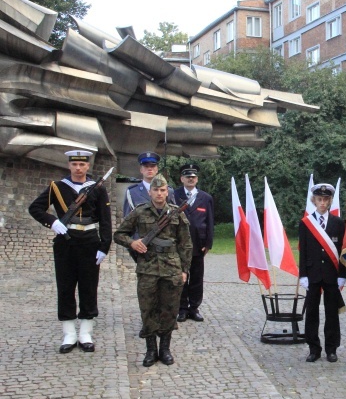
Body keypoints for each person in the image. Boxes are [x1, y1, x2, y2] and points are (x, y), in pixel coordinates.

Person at [29, 150, 112, 353]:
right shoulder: (56, 187)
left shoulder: (97, 189)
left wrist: (104, 246)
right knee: (65, 287)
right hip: (66, 243)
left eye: (82, 165)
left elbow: (105, 220)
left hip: (90, 242)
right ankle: (69, 333)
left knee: (88, 287)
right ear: (69, 165)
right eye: (74, 164)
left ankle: (85, 333)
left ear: (87, 167)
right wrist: (53, 222)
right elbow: (35, 208)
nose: (78, 168)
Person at [114, 174, 192, 367]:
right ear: (150, 192)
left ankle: (165, 349)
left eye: (163, 190)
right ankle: (150, 350)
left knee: (170, 308)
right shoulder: (140, 213)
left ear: (167, 192)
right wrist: (133, 243)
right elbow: (119, 234)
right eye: (156, 190)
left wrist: (185, 270)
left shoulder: (176, 213)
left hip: (172, 268)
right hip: (148, 268)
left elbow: (186, 244)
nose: (159, 193)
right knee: (147, 308)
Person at [299, 183, 346, 363]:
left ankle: (331, 349)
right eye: (319, 199)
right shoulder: (306, 223)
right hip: (312, 274)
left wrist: (342, 274)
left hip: (332, 274)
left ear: (330, 201)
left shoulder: (338, 223)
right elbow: (302, 250)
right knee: (311, 312)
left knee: (332, 313)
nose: (322, 202)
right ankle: (313, 348)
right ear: (314, 200)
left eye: (326, 199)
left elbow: (341, 250)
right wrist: (303, 274)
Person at [174, 164, 214, 323]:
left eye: (193, 177)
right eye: (187, 176)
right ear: (182, 179)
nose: (190, 179)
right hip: (179, 244)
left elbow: (210, 221)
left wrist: (208, 243)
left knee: (197, 277)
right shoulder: (174, 195)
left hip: (198, 243)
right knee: (181, 277)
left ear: (197, 179)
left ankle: (194, 308)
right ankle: (182, 308)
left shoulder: (205, 198)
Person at [122, 151, 174, 219]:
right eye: (146, 166)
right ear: (141, 170)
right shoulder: (132, 192)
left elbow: (174, 215)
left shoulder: (168, 191)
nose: (149, 169)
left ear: (157, 169)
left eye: (152, 166)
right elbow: (127, 218)